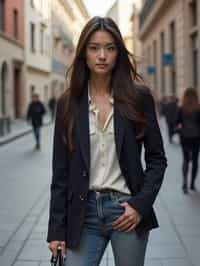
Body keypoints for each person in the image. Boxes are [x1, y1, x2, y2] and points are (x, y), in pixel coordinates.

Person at [47, 17, 167, 266]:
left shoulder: (138, 97)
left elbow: (157, 159)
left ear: (118, 53)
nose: (102, 55)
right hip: (84, 213)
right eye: (94, 48)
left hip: (126, 210)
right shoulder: (68, 104)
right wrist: (56, 231)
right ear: (84, 54)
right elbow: (60, 173)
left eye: (110, 48)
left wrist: (140, 205)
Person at [174, 87, 200, 194]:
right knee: (195, 160)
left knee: (185, 160)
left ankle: (184, 183)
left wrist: (180, 127)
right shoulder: (198, 108)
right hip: (196, 137)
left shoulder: (181, 108)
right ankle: (192, 184)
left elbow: (176, 122)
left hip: (184, 137)